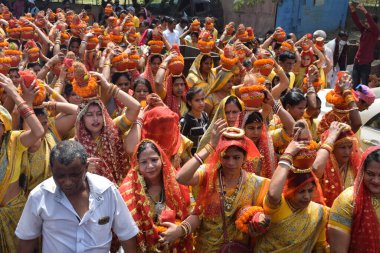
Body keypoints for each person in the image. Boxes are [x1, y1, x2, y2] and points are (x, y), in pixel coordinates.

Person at [15, 140, 138, 252]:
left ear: (86, 168)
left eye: (74, 175)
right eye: (60, 176)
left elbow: (127, 234)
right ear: (51, 170)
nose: (67, 182)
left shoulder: (107, 191)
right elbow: (27, 240)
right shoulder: (39, 196)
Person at [176, 123, 269, 252]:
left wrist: (257, 221)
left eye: (236, 158)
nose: (231, 162)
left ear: (244, 159)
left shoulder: (254, 182)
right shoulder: (208, 174)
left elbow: (272, 204)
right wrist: (210, 147)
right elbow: (181, 177)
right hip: (206, 248)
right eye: (226, 157)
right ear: (219, 156)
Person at [255, 123, 329, 252]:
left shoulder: (319, 213)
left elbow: (320, 247)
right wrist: (288, 154)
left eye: (310, 190)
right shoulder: (277, 206)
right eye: (301, 191)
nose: (307, 196)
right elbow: (272, 194)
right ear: (288, 189)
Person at [119, 139, 192, 252]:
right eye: (144, 162)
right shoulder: (128, 191)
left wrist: (178, 230)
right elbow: (124, 228)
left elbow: (190, 214)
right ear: (137, 164)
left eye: (154, 160)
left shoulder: (177, 183)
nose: (150, 165)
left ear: (161, 159)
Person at [0, 73, 45, 253]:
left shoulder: (14, 140)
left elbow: (38, 131)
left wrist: (15, 94)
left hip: (16, 214)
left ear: (4, 128)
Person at [328, 146, 380, 253]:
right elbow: (338, 250)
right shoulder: (348, 200)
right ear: (362, 171)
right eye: (370, 174)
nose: (376, 180)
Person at [313, 122, 362, 207]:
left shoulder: (354, 164)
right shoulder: (322, 164)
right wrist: (331, 138)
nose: (347, 152)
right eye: (342, 147)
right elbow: (316, 169)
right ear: (332, 148)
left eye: (350, 147)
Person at [350, 2, 380, 86]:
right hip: (357, 61)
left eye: (368, 21)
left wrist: (364, 10)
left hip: (365, 63)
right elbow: (357, 22)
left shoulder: (376, 32)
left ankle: (363, 99)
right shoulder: (364, 30)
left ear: (373, 23)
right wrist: (353, 11)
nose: (366, 22)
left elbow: (372, 22)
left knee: (363, 85)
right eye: (365, 21)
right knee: (355, 83)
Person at [180, 86, 209, 155]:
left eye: (202, 99)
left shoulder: (205, 115)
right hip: (192, 157)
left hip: (204, 155)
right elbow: (181, 143)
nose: (201, 103)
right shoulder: (185, 121)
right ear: (190, 103)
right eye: (197, 100)